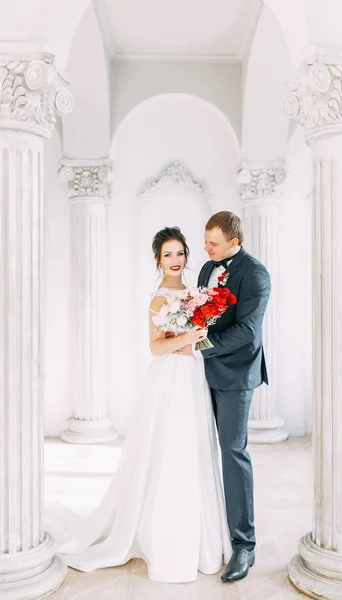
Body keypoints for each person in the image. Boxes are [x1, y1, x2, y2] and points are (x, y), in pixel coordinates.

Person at [45, 226, 232, 583]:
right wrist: (188, 337)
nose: (175, 261)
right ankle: (163, 536)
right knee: (167, 451)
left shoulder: (196, 294)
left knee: (194, 449)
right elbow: (155, 347)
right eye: (168, 255)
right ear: (158, 260)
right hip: (169, 380)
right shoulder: (158, 299)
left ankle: (200, 533)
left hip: (192, 377)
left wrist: (199, 338)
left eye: (179, 254)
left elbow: (196, 342)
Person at [175, 211, 271, 582]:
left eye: (212, 243)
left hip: (235, 376)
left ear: (234, 242)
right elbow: (200, 316)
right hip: (201, 372)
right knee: (199, 449)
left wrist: (198, 347)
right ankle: (206, 529)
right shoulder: (206, 269)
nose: (204, 247)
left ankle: (244, 545)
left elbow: (247, 331)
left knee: (233, 452)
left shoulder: (256, 274)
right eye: (205, 240)